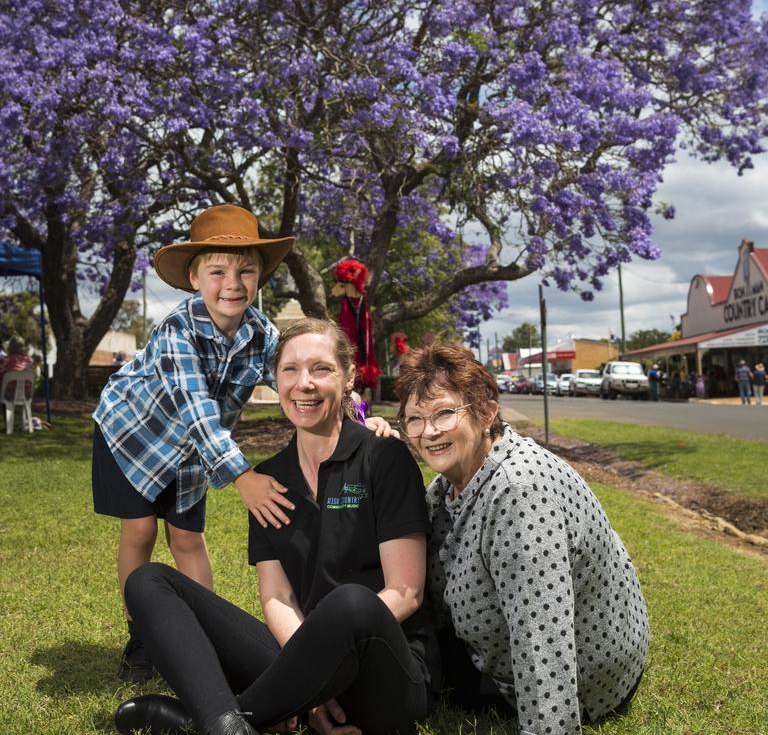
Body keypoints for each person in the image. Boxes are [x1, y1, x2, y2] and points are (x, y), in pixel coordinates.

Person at [113, 319, 439, 735]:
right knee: (149, 581)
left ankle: (214, 723)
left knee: (353, 603)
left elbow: (405, 593)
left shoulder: (384, 457)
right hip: (300, 655)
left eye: (321, 369)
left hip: (387, 669)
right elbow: (278, 596)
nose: (304, 383)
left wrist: (317, 670)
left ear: (347, 377)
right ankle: (227, 725)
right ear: (276, 379)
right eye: (290, 370)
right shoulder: (268, 482)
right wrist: (310, 680)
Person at [396, 344, 649, 735]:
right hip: (490, 651)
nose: (429, 432)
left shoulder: (520, 492)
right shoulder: (453, 482)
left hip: (588, 681)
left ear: (486, 412)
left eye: (445, 413)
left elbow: (542, 635)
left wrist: (548, 728)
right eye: (414, 419)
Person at [92, 204, 297, 682]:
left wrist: (357, 416)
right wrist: (244, 478)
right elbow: (198, 412)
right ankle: (142, 635)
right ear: (193, 276)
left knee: (187, 537)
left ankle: (204, 633)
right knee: (140, 532)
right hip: (131, 435)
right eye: (218, 270)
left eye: (247, 270)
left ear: (261, 277)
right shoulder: (176, 331)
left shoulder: (262, 334)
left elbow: (297, 380)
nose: (234, 283)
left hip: (188, 455)